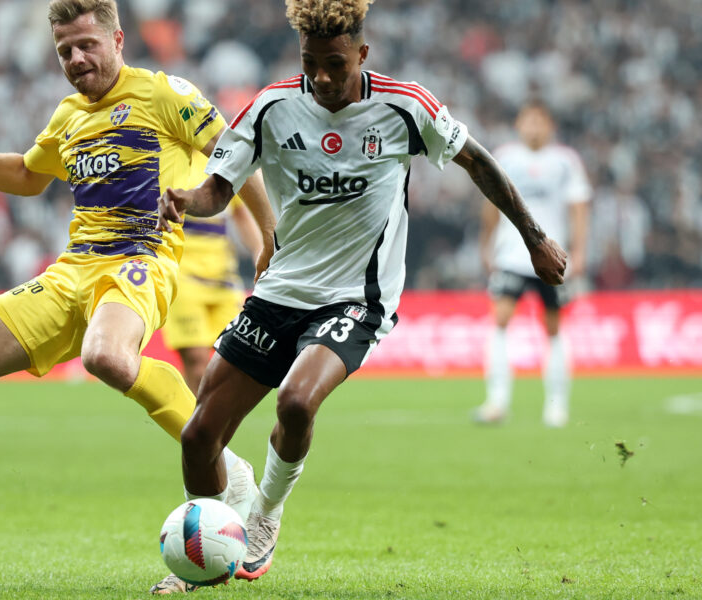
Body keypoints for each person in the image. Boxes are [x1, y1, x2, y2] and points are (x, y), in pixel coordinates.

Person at [152, 0, 567, 589]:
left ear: (362, 54)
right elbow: (219, 189)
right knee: (198, 437)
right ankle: (204, 562)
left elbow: (479, 162)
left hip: (357, 297)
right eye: (311, 63)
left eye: (336, 65)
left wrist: (535, 238)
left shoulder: (405, 107)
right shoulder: (271, 107)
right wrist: (185, 200)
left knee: (296, 402)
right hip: (279, 291)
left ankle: (265, 512)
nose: (321, 78)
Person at [0, 0, 275, 574]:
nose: (75, 59)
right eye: (65, 50)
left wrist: (268, 236)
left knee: (106, 357)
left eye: (87, 45)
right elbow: (27, 175)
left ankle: (229, 465)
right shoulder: (68, 115)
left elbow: (235, 154)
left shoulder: (164, 94)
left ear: (117, 40)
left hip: (142, 260)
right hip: (72, 272)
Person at [474, 101, 591, 428]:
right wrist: (486, 245)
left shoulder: (566, 161)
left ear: (551, 126)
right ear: (518, 125)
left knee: (553, 327)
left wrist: (579, 252)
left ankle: (556, 406)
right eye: (529, 121)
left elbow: (579, 208)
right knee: (500, 320)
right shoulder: (505, 157)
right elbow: (490, 204)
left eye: (540, 122)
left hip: (553, 258)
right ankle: (497, 402)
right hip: (511, 255)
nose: (534, 127)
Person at [161, 155, 264, 394]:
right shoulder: (170, 157)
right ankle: (195, 417)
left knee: (233, 360)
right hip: (182, 277)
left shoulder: (223, 159)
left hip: (224, 278)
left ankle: (210, 417)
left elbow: (241, 215)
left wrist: (261, 251)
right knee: (197, 362)